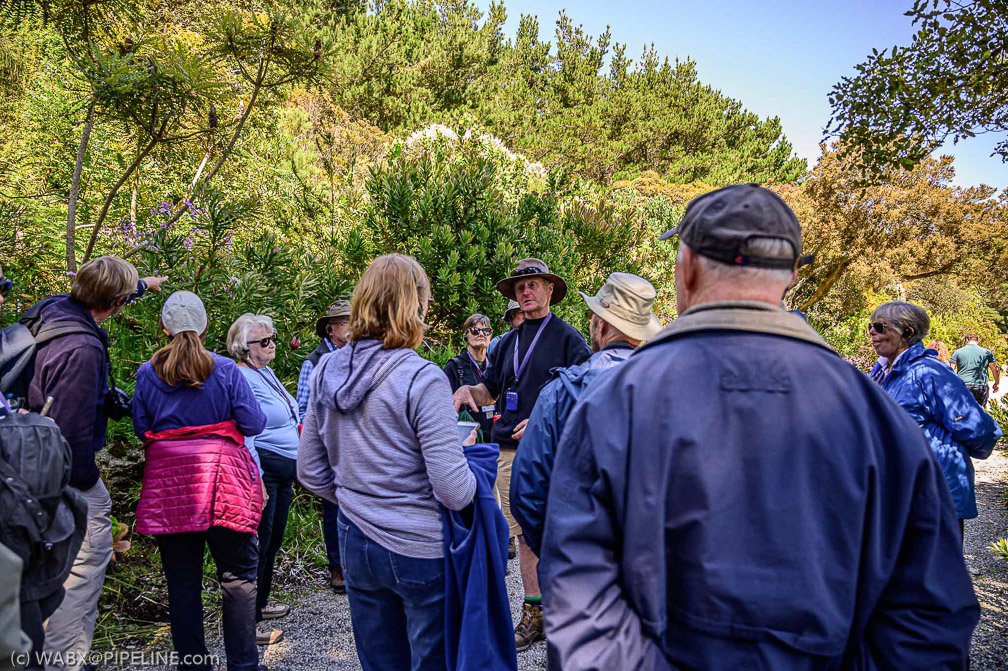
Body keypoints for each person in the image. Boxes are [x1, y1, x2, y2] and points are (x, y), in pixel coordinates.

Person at [540, 184, 980, 670]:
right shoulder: (879, 418)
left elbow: (580, 594)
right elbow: (927, 619)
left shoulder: (613, 401)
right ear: (790, 277)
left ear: (685, 266)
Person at [298, 253, 477, 671]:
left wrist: (357, 495)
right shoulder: (422, 378)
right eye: (426, 303)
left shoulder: (326, 370)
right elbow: (452, 490)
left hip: (355, 539)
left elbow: (309, 470)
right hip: (418, 544)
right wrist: (468, 466)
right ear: (412, 305)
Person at [24, 256, 165, 671]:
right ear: (115, 302)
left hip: (24, 463)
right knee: (85, 562)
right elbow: (69, 434)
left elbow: (105, 289)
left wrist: (144, 284)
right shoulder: (82, 349)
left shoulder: (50, 310)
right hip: (62, 475)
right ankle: (64, 659)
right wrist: (90, 484)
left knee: (46, 565)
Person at [453, 258, 591, 653]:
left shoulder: (569, 339)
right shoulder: (506, 343)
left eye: (533, 285)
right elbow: (490, 391)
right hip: (508, 452)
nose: (525, 292)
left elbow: (586, 395)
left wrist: (545, 418)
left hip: (550, 451)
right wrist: (467, 392)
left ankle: (565, 610)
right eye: (520, 287)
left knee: (556, 532)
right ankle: (535, 612)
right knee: (524, 535)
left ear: (550, 290)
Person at [131, 291, 267, 671]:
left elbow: (143, 429)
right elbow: (255, 422)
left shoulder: (147, 373)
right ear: (206, 327)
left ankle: (193, 665)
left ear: (163, 328)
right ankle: (244, 665)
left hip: (169, 487)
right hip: (222, 482)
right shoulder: (225, 370)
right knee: (238, 577)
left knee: (182, 582)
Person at [511, 272, 661, 561]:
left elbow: (526, 491)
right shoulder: (670, 388)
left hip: (578, 565)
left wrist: (557, 552)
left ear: (600, 324)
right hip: (650, 565)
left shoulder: (558, 393)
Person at [869, 303, 1001, 539]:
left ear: (907, 333)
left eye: (879, 327)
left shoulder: (929, 372)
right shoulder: (882, 372)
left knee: (934, 573)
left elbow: (978, 429)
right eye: (870, 326)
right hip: (898, 493)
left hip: (931, 496)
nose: (872, 332)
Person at [228, 313, 301, 646]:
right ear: (245, 348)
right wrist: (255, 477)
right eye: (264, 341)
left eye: (273, 338)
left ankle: (261, 601)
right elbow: (249, 432)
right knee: (260, 540)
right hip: (266, 468)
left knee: (273, 539)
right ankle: (251, 619)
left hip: (284, 469)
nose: (272, 344)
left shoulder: (266, 371)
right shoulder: (242, 377)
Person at [296, 300, 351, 595]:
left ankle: (354, 563)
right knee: (333, 508)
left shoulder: (358, 356)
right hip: (329, 442)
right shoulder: (313, 362)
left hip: (355, 442)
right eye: (345, 322)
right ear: (330, 329)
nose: (352, 327)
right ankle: (337, 567)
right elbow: (303, 408)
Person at [443, 314, 495, 438]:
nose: (481, 334)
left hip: (494, 438)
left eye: (486, 331)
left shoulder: (495, 365)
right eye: (475, 331)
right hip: (468, 439)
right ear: (466, 335)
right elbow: (444, 407)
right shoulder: (455, 366)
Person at [951, 334, 1000, 407]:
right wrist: (996, 383)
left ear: (966, 340)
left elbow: (950, 370)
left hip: (962, 385)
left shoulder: (958, 352)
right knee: (980, 412)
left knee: (963, 411)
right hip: (980, 386)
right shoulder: (987, 352)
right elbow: (995, 369)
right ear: (977, 341)